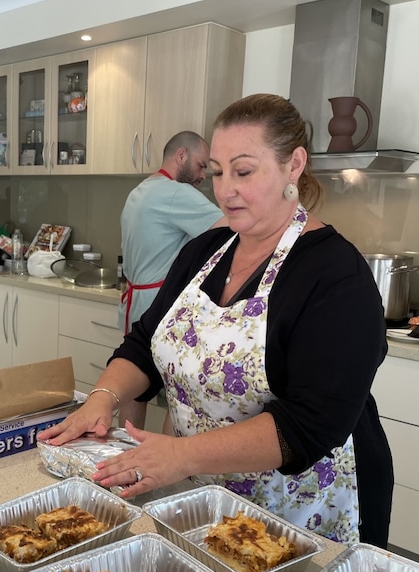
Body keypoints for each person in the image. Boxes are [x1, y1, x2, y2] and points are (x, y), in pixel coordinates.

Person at [40, 94, 393, 548]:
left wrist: (182, 455)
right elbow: (146, 342)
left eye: (243, 172)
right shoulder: (204, 251)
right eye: (220, 172)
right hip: (199, 499)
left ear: (294, 165)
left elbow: (309, 424)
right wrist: (102, 398)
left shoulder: (337, 276)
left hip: (294, 517)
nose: (225, 190)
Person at [118, 130, 228, 430]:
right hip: (161, 307)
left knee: (134, 386)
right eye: (202, 165)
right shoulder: (176, 193)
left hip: (134, 303)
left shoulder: (140, 190)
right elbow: (230, 230)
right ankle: (169, 467)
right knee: (180, 394)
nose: (203, 175)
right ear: (181, 156)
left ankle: (125, 453)